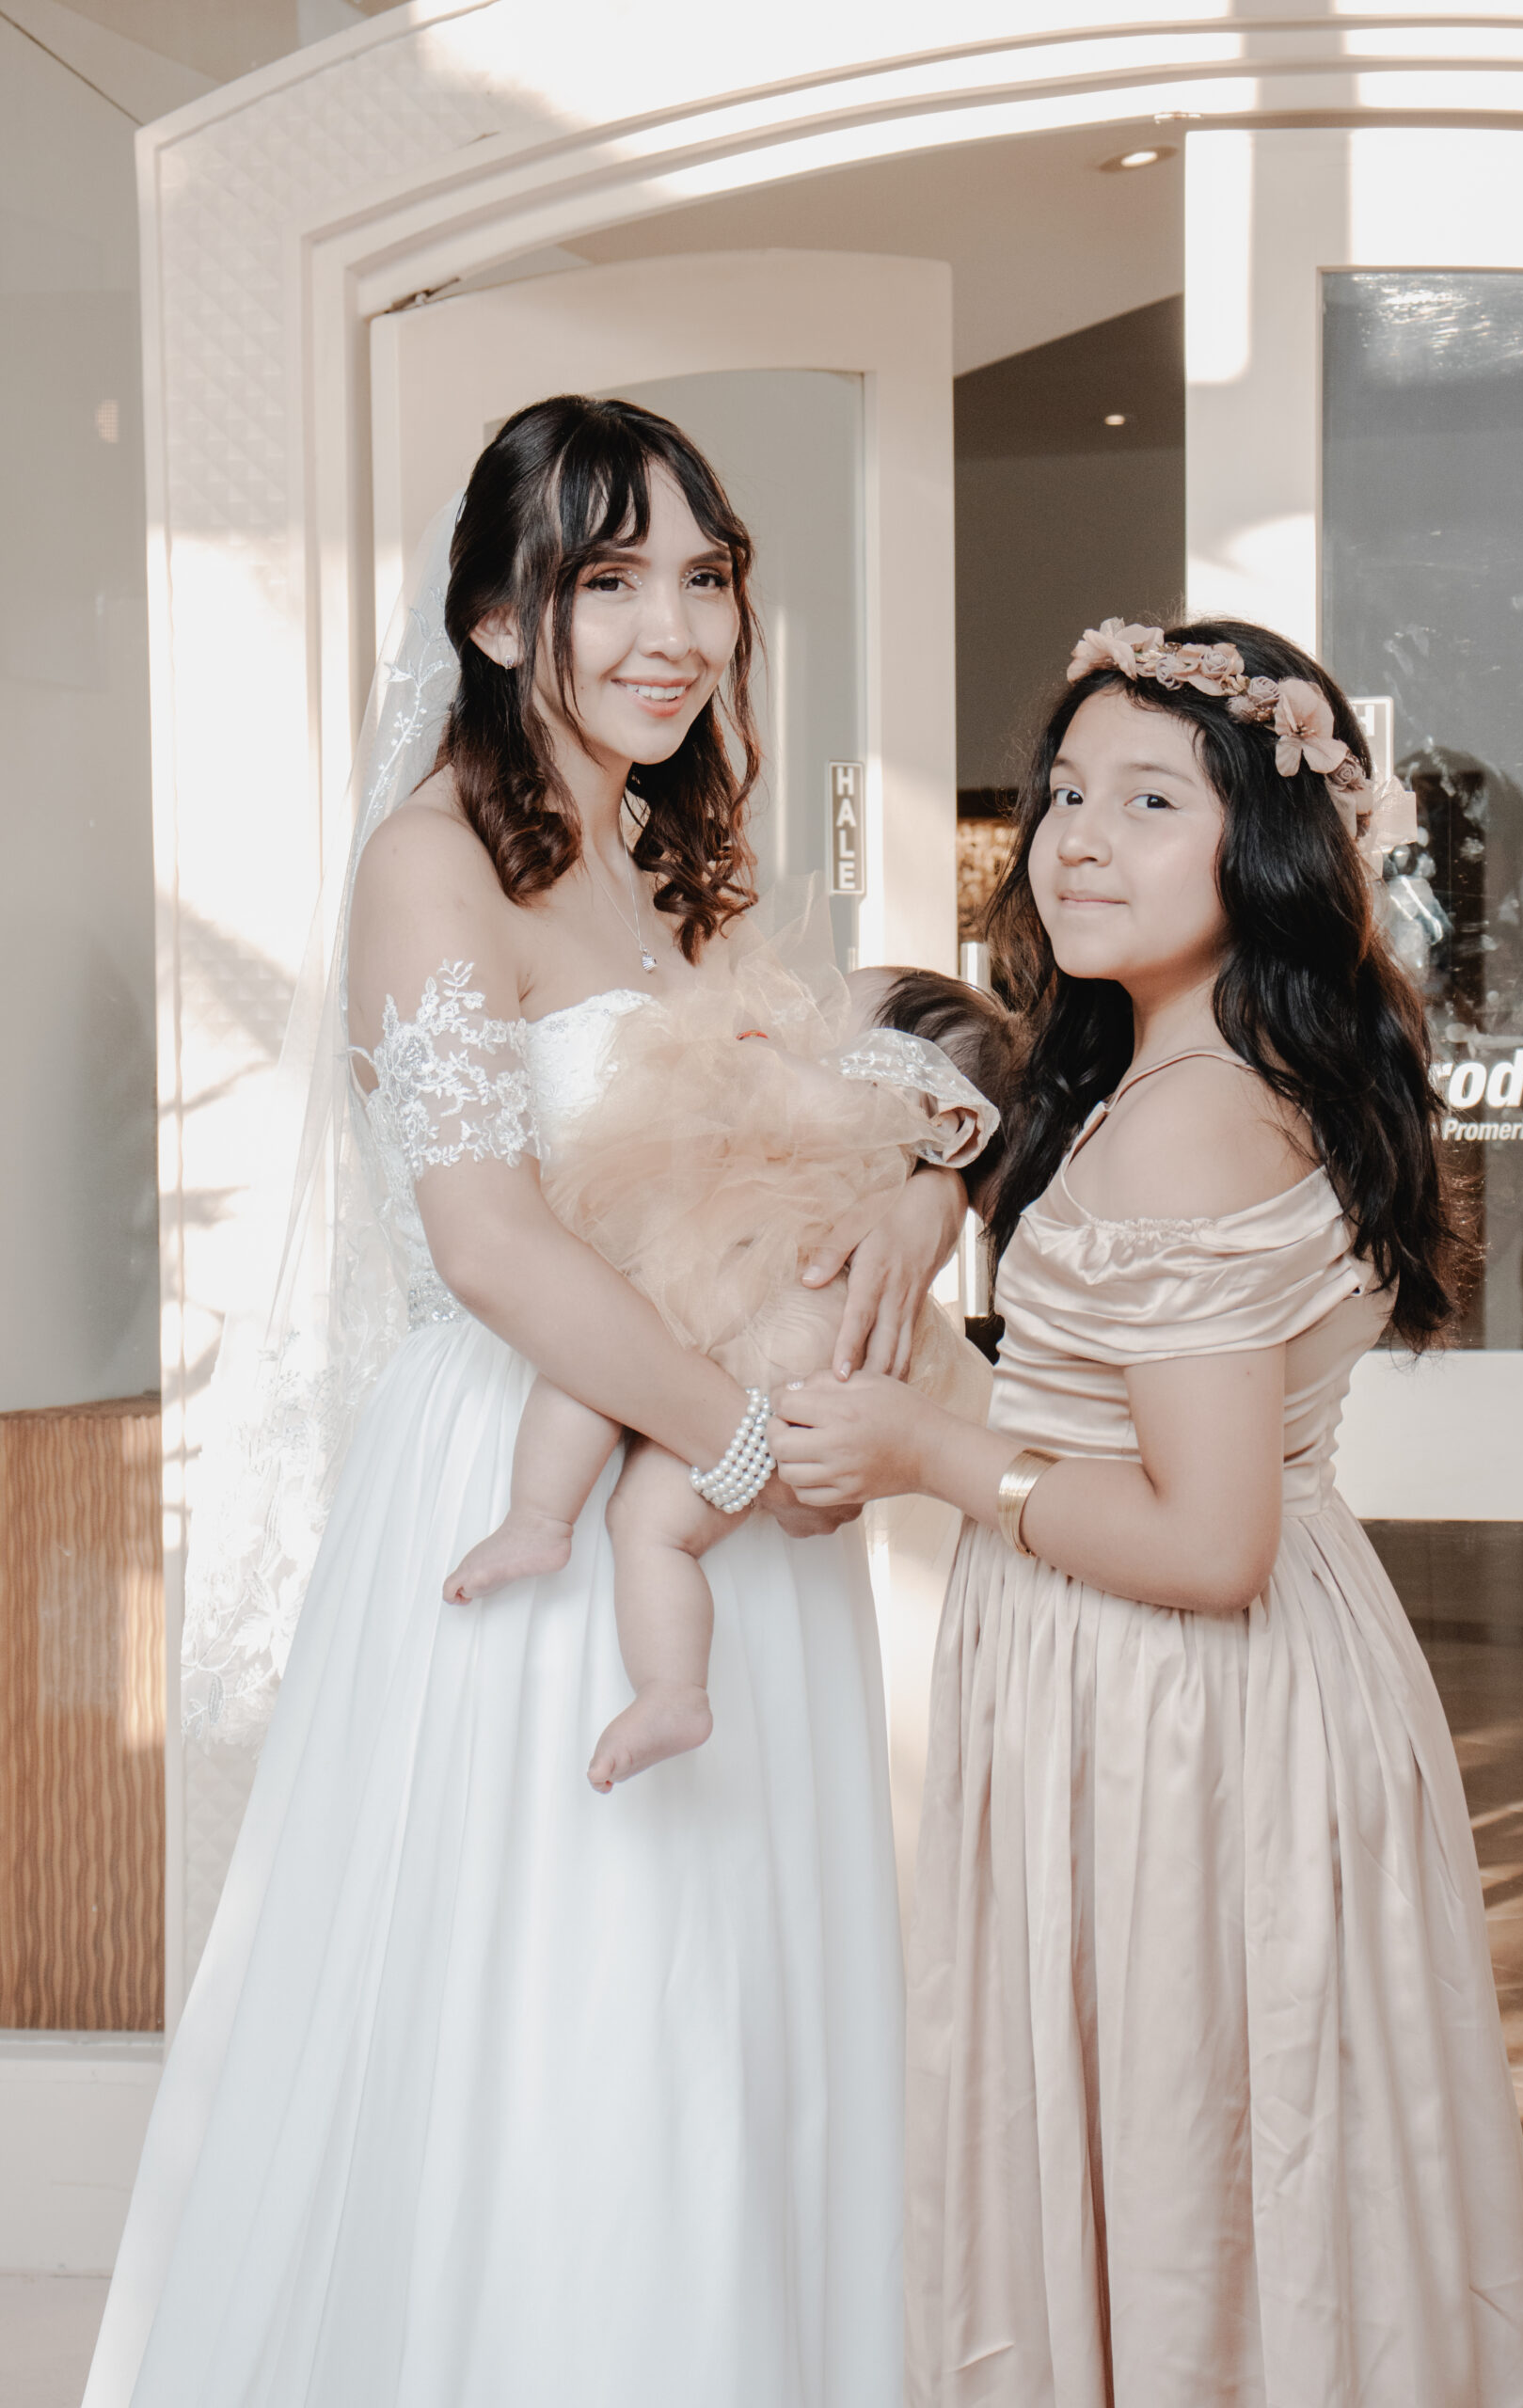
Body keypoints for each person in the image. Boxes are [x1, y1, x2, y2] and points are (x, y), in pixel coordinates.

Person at [85, 397, 963, 2408]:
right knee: (583, 2011)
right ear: (495, 618)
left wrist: (926, 1190)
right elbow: (488, 1239)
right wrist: (737, 1441)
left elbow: (812, 1116)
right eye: (610, 579)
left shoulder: (663, 867)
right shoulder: (429, 863)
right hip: (535, 1474)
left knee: (732, 2009)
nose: (676, 630)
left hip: (717, 1501)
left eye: (703, 579)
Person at [772, 618, 1523, 2405]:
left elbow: (1207, 1546)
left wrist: (924, 1450)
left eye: (1148, 802)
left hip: (1170, 1706)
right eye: (1065, 793)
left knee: (1185, 2149)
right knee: (1255, 2150)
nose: (1076, 840)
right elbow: (1003, 1080)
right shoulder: (1198, 1069)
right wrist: (936, 1177)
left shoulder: (1184, 1124)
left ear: (1260, 851)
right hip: (1240, 1682)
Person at [443, 954, 1015, 1792]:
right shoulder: (892, 1147)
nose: (804, 1031)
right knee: (649, 1520)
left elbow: (810, 1103)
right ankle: (671, 1688)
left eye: (835, 1030)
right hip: (785, 1336)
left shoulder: (859, 1127)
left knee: (593, 1360)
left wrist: (759, 1056)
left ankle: (542, 1521)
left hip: (778, 1307)